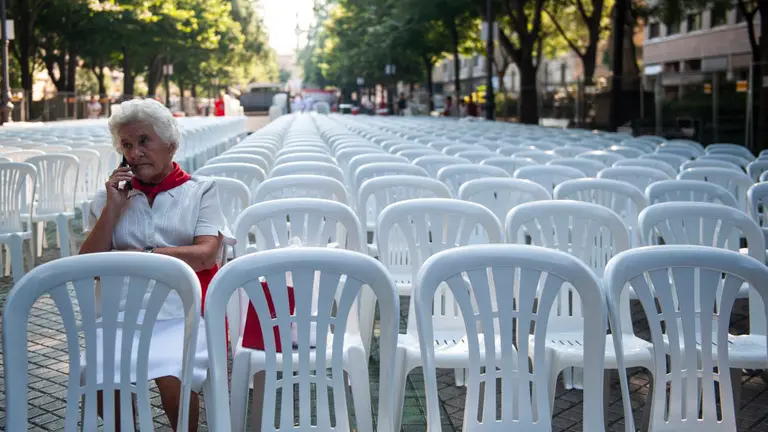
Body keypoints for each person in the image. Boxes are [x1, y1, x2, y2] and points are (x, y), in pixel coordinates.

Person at [79, 98, 233, 431]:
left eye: (144, 141)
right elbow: (88, 265)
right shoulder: (110, 198)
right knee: (104, 383)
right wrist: (113, 209)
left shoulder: (200, 191)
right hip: (120, 313)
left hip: (180, 313)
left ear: (171, 144)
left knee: (173, 384)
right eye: (127, 145)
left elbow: (206, 253)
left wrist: (146, 254)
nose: (135, 153)